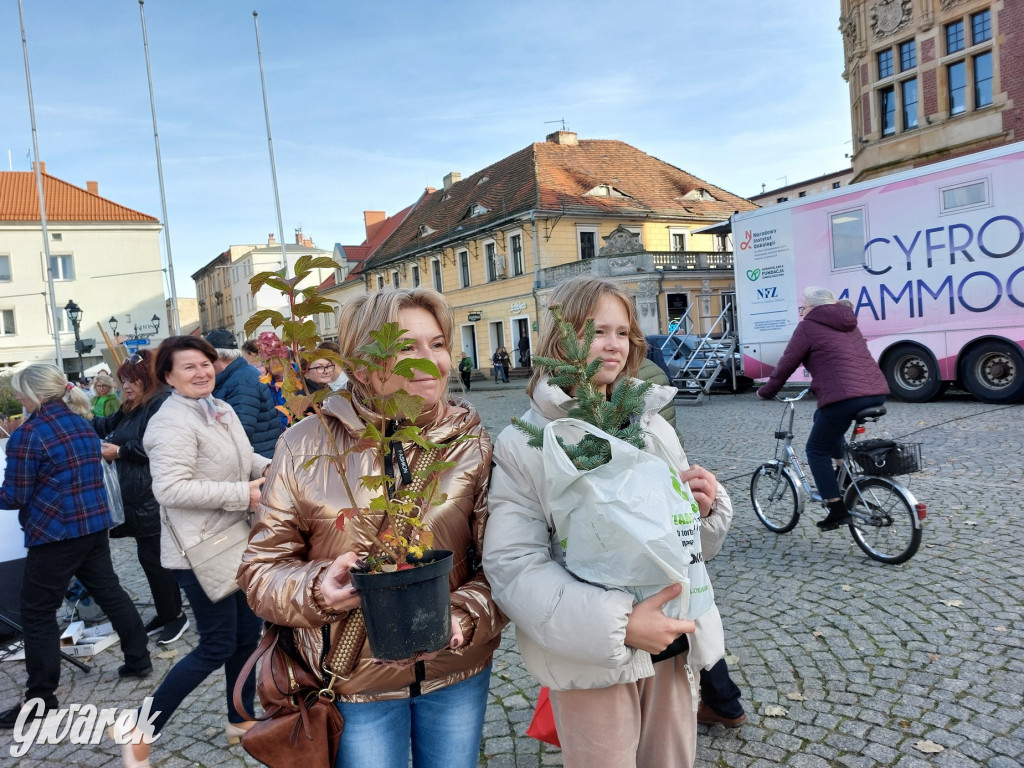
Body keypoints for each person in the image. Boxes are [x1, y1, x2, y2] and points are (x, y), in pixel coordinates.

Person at [238, 288, 506, 768]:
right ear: (360, 366)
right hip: (352, 686)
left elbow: (502, 561)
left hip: (456, 674)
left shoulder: (471, 442)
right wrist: (319, 588)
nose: (430, 361)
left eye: (438, 343)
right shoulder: (304, 444)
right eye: (406, 348)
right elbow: (261, 571)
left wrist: (461, 619)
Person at [482, 276, 733, 768]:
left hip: (673, 643)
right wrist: (620, 625)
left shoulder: (649, 423)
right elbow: (513, 565)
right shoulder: (524, 442)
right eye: (598, 331)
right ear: (564, 338)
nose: (614, 344)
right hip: (595, 656)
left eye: (623, 332)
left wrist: (703, 510)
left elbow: (687, 545)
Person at [116, 336, 271, 768]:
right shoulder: (170, 422)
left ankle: (240, 719)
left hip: (238, 541)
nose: (202, 371)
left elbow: (244, 459)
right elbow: (170, 488)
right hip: (200, 549)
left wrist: (273, 468)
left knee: (246, 638)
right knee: (217, 645)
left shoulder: (219, 408)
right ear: (167, 376)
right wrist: (243, 494)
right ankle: (137, 730)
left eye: (206, 363)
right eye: (189, 367)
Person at [0, 365, 151, 729]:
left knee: (36, 613)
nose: (18, 399)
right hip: (92, 525)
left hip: (55, 533)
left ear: (34, 395)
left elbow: (14, 496)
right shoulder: (81, 423)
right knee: (109, 590)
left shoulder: (29, 434)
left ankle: (40, 699)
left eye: (21, 393)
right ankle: (138, 658)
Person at [756, 286, 889, 530]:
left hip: (844, 398)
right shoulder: (850, 323)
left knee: (816, 449)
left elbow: (787, 363)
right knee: (823, 417)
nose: (802, 311)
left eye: (803, 306)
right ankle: (843, 472)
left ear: (813, 307)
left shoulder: (808, 326)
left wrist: (766, 391)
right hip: (875, 393)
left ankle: (836, 509)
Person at [93, 350, 187, 645]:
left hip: (152, 494)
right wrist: (71, 417)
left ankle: (175, 616)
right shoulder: (133, 405)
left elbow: (157, 446)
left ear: (148, 379)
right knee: (149, 558)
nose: (127, 386)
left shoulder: (160, 403)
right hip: (136, 496)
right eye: (124, 381)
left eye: (133, 380)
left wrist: (119, 451)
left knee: (156, 558)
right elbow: (106, 425)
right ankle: (165, 612)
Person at [208, 329, 282, 459]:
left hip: (255, 460)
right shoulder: (237, 375)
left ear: (216, 356)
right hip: (256, 455)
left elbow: (241, 430)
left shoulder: (242, 381)